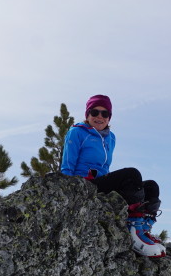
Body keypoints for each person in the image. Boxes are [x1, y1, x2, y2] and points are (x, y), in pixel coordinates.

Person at [61, 94, 165, 257]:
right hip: (84, 186)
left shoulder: (111, 137)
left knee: (151, 186)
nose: (99, 117)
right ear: (87, 114)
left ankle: (143, 229)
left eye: (105, 113)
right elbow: (67, 165)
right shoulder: (77, 132)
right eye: (95, 112)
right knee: (132, 174)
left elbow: (104, 168)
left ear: (109, 117)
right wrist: (68, 194)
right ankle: (133, 229)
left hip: (101, 185)